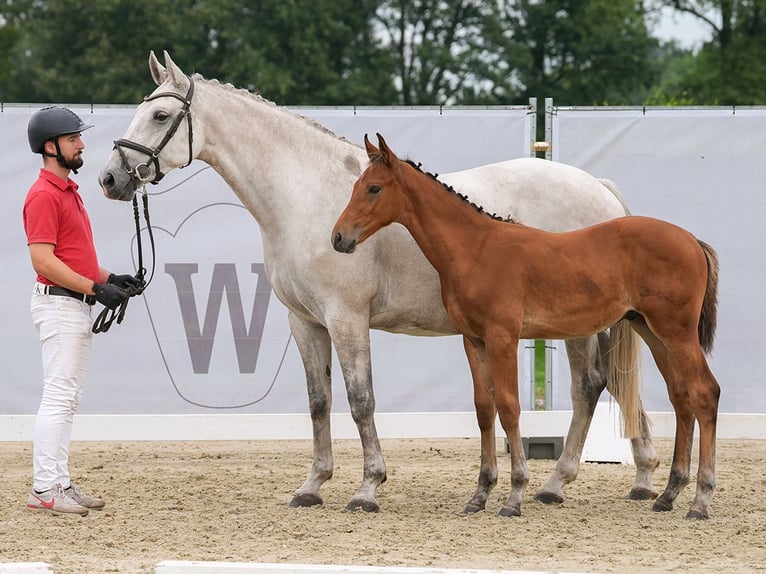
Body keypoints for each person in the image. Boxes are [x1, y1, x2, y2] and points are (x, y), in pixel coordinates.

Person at [22, 106, 139, 516]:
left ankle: (59, 482)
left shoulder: (67, 191)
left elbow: (75, 257)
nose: (81, 143)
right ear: (51, 147)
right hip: (60, 304)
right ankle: (44, 488)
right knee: (58, 397)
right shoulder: (42, 195)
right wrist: (94, 287)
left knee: (67, 399)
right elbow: (44, 261)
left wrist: (111, 278)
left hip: (73, 303)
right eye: (73, 139)